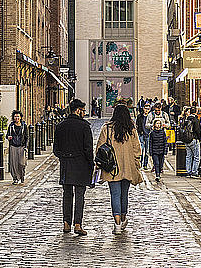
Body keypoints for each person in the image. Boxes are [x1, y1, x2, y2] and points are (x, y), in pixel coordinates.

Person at [96, 104, 142, 235]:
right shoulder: (131, 129)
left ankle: (117, 224)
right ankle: (122, 219)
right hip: (128, 166)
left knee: (115, 195)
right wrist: (136, 164)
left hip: (112, 168)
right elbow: (137, 149)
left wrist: (98, 164)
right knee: (124, 195)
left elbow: (100, 147)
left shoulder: (108, 128)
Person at [53, 99, 94, 236]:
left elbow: (56, 149)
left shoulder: (60, 126)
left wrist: (64, 157)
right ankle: (77, 224)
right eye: (83, 110)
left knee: (67, 194)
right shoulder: (84, 126)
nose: (84, 113)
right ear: (77, 110)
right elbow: (88, 149)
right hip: (81, 164)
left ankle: (66, 223)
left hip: (66, 164)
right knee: (79, 195)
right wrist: (91, 163)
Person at [6, 110, 28, 184]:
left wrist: (26, 146)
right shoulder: (11, 126)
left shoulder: (24, 126)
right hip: (13, 146)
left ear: (20, 117)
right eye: (15, 116)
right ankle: (15, 178)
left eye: (18, 116)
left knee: (22, 163)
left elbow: (27, 137)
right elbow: (7, 135)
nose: (16, 118)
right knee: (14, 164)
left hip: (22, 146)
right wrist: (8, 137)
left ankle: (22, 176)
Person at [181, 106, 201, 178]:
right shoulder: (195, 120)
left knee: (188, 156)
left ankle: (188, 171)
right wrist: (200, 139)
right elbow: (198, 131)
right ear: (196, 112)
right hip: (194, 139)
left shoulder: (186, 120)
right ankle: (194, 172)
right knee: (196, 157)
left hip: (186, 140)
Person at [135, 103, 151, 170]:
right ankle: (140, 164)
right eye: (145, 108)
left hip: (148, 134)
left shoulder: (150, 116)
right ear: (143, 109)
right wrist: (139, 131)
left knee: (147, 151)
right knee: (141, 150)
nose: (146, 110)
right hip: (141, 134)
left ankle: (145, 164)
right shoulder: (140, 116)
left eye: (148, 109)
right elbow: (137, 124)